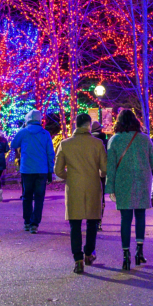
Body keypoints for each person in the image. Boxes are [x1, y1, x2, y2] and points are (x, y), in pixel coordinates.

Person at [105, 109, 153, 271]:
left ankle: (125, 255)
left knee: (125, 218)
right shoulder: (144, 139)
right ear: (135, 121)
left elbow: (110, 166)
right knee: (140, 215)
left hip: (122, 182)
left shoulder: (114, 140)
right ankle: (139, 252)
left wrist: (110, 187)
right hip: (142, 181)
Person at [54, 113, 108, 274]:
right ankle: (89, 253)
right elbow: (105, 169)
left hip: (74, 187)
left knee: (75, 224)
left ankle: (78, 259)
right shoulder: (97, 144)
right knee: (92, 222)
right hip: (93, 186)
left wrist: (70, 176)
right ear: (89, 125)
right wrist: (97, 174)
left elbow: (58, 170)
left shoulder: (65, 144)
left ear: (75, 125)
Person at [10, 110, 55, 233]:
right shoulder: (45, 134)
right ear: (39, 120)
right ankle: (35, 224)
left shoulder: (24, 132)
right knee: (39, 197)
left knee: (27, 196)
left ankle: (27, 221)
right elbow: (50, 153)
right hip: (42, 170)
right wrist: (50, 171)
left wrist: (22, 127)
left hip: (27, 169)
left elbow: (13, 144)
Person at [91, 121, 109, 230]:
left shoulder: (87, 141)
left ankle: (91, 219)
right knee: (100, 197)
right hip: (101, 173)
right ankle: (98, 221)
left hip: (89, 172)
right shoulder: (104, 142)